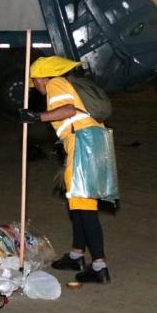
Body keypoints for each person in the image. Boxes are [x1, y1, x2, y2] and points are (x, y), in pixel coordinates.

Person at [18, 56, 113, 284]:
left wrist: (36, 116)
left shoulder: (55, 84)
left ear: (43, 78)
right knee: (79, 205)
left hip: (84, 146)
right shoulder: (69, 84)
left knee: (86, 209)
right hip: (93, 144)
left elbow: (68, 110)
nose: (37, 87)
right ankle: (76, 255)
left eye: (36, 81)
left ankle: (99, 266)